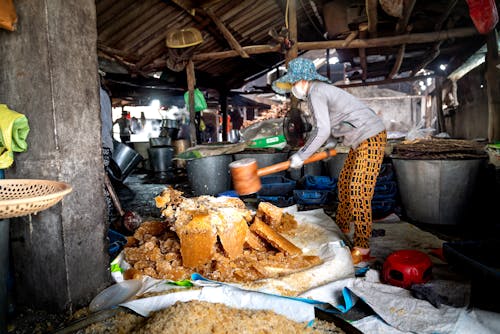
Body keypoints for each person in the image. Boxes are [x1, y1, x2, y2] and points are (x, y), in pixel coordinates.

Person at [272, 58, 387, 264]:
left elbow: (322, 130)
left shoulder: (317, 92)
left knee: (358, 189)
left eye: (292, 83)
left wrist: (301, 156)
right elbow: (330, 127)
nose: (292, 88)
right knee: (344, 184)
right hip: (358, 140)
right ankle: (341, 227)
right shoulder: (317, 94)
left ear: (303, 80)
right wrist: (329, 146)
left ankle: (362, 247)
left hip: (370, 136)